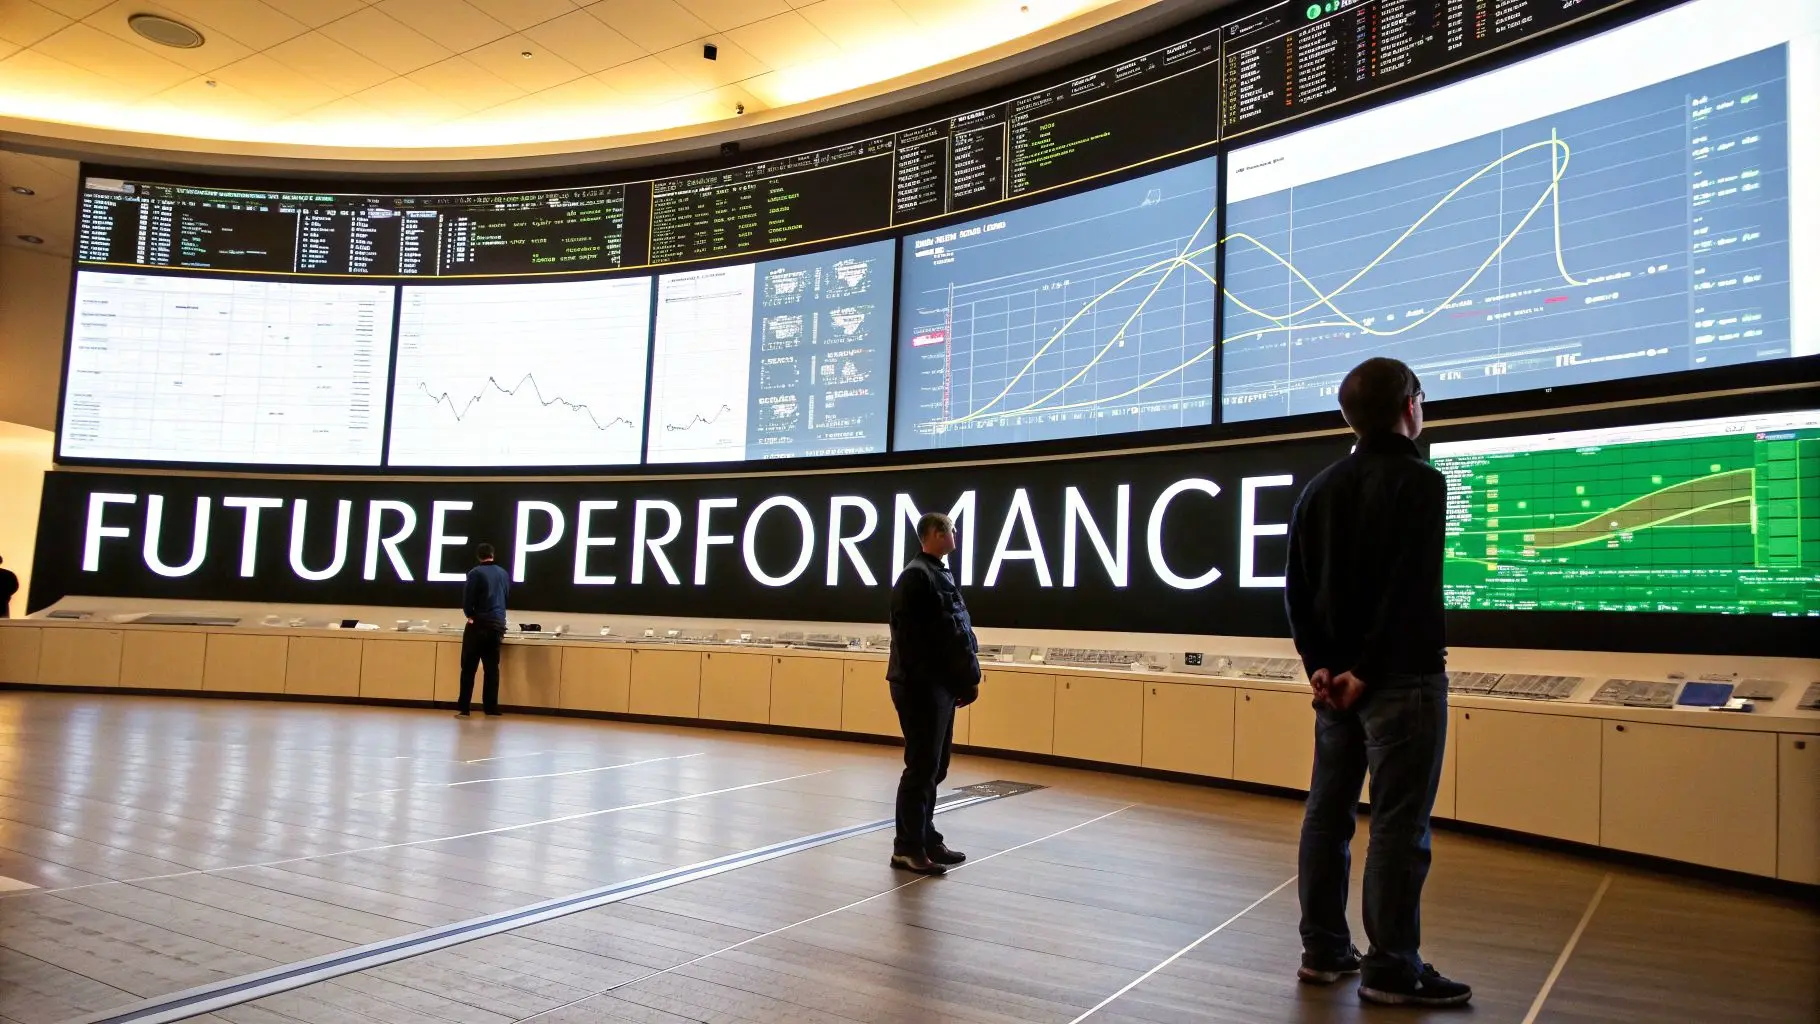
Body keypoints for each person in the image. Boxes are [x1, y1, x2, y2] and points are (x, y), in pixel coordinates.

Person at [1284, 357, 1471, 1008]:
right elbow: (1408, 594)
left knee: (1327, 818)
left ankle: (1325, 952)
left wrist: (1322, 667)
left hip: (1333, 689)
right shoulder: (1420, 483)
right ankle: (1392, 968)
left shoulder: (1320, 488)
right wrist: (1366, 670)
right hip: (1401, 683)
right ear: (1409, 407)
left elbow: (1298, 593)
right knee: (1398, 827)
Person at [885, 512, 981, 876]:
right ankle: (907, 848)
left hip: (938, 686)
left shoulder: (936, 573)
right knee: (921, 767)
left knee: (935, 767)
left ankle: (924, 837)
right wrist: (948, 679)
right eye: (951, 529)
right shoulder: (916, 577)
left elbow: (954, 630)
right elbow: (917, 642)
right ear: (936, 533)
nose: (955, 534)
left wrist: (960, 679)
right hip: (921, 688)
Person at [457, 542, 509, 718]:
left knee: (469, 667)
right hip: (497, 625)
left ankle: (464, 708)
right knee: (492, 668)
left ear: (478, 556)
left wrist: (470, 615)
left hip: (478, 625)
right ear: (493, 554)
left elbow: (468, 599)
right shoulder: (503, 573)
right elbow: (506, 596)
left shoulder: (475, 573)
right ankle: (491, 707)